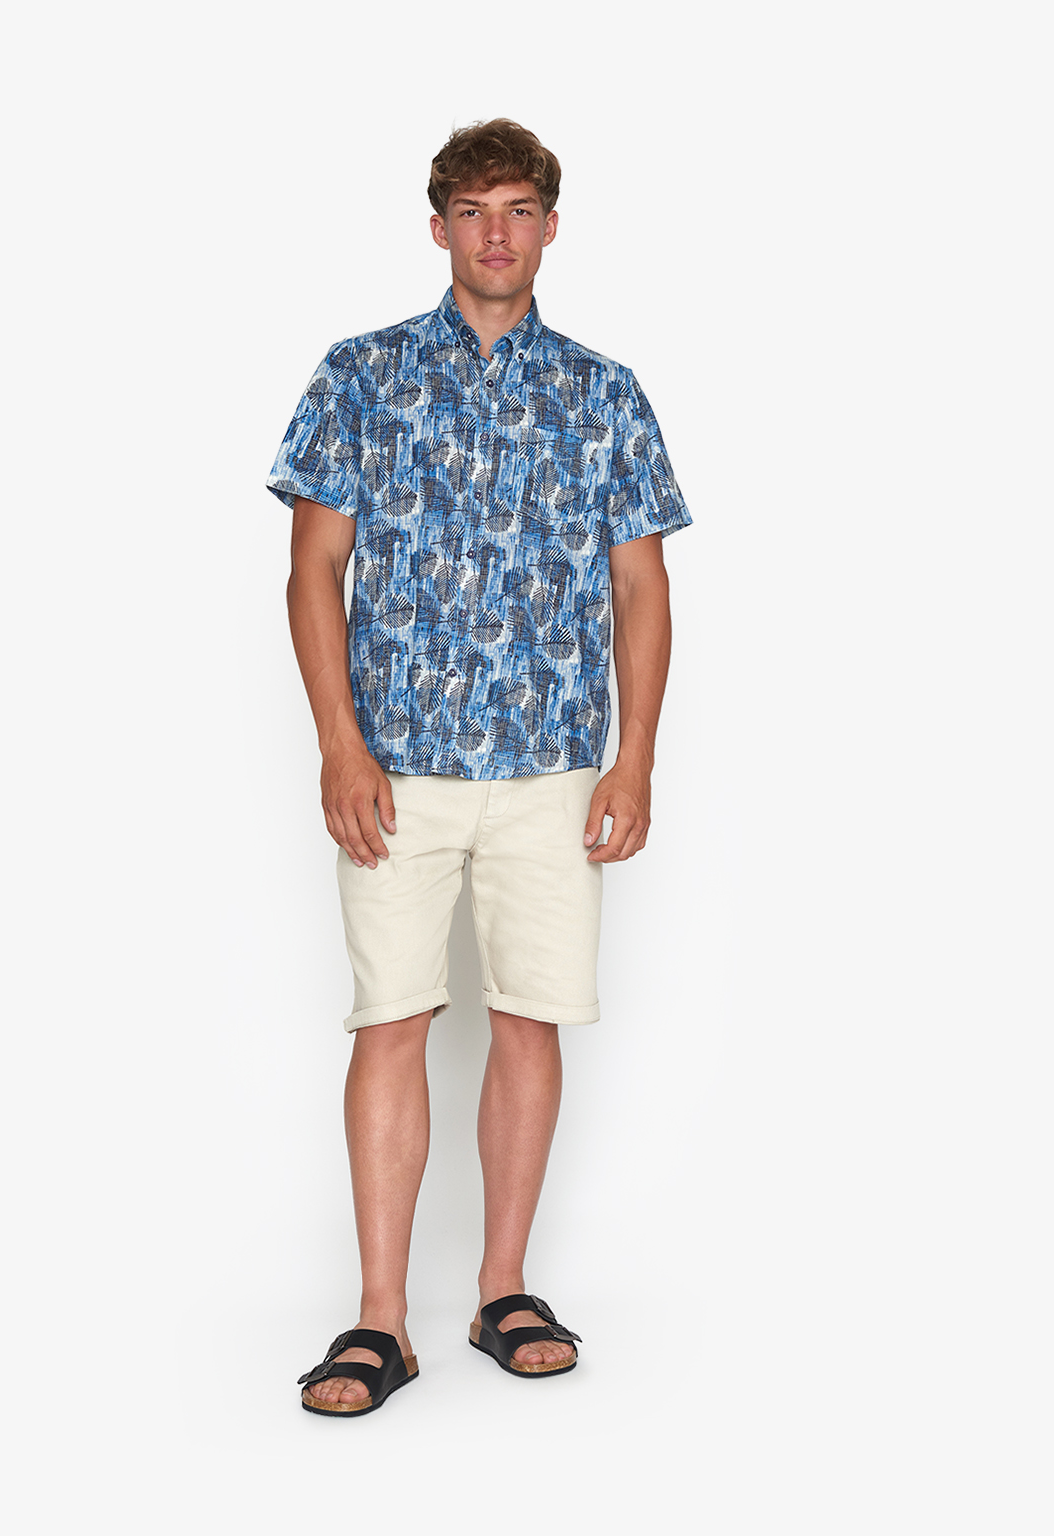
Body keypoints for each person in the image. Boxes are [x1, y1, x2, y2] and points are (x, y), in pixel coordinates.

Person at [267, 119, 691, 1417]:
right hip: (396, 768)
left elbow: (641, 588)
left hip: (552, 764)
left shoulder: (605, 392)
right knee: (390, 1018)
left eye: (516, 209)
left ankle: (504, 1291)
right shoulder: (362, 375)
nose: (495, 232)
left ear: (550, 226)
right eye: (471, 210)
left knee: (528, 1017)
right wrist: (340, 745)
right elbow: (313, 571)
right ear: (438, 226)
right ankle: (379, 1321)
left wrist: (633, 761)